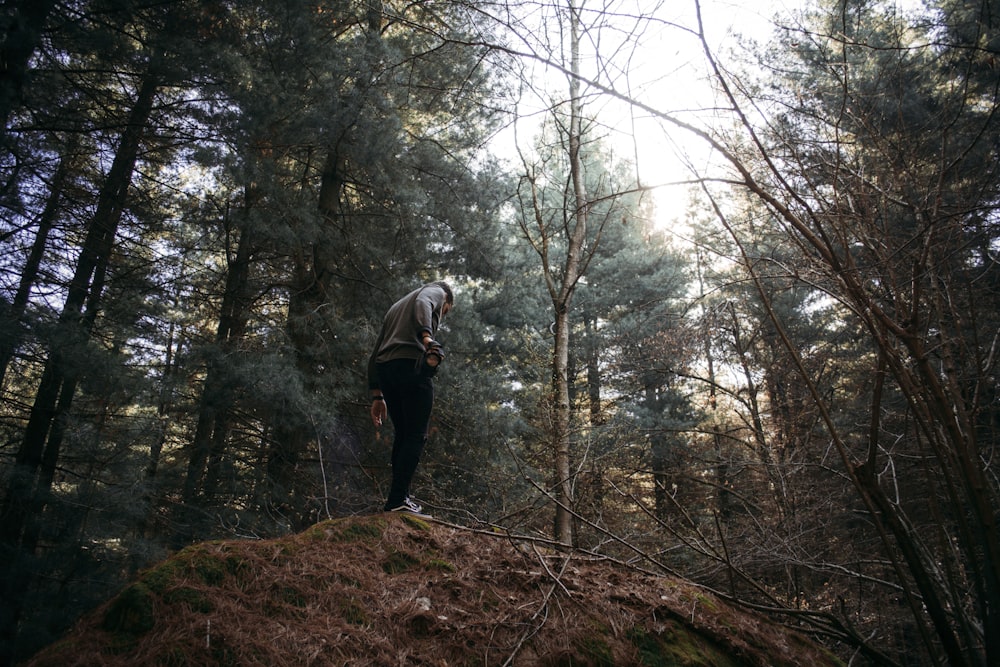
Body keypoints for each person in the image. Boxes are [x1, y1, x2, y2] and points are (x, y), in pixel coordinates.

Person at [367, 281, 454, 514]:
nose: (442, 317)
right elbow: (423, 302)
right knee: (416, 435)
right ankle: (397, 499)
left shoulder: (395, 308)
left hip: (386, 370)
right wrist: (427, 338)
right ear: (446, 302)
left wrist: (377, 395)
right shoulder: (436, 292)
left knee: (403, 435)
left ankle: (398, 498)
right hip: (410, 365)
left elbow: (376, 351)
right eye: (444, 312)